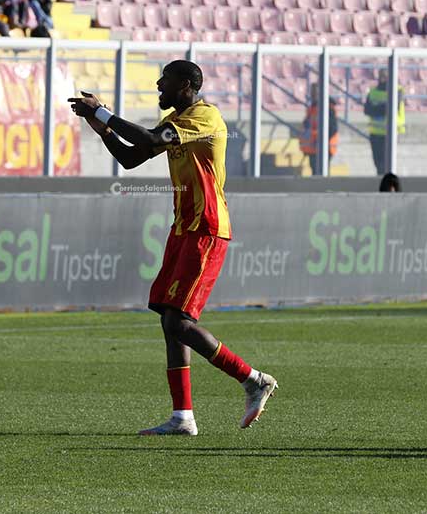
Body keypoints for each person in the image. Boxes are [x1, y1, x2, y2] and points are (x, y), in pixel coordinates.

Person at [67, 60, 278, 436]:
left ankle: (253, 379)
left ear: (186, 85)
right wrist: (102, 129)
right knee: (169, 320)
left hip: (207, 228)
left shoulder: (205, 117)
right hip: (183, 229)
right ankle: (183, 417)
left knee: (180, 321)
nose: (158, 84)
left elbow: (149, 138)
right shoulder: (176, 123)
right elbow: (132, 157)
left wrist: (102, 112)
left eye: (165, 79)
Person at [363, 69, 405, 176]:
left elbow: (391, 108)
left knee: (387, 164)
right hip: (375, 133)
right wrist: (382, 108)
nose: (384, 79)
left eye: (386, 76)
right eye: (382, 76)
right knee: (378, 164)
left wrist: (376, 109)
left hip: (391, 133)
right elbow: (367, 110)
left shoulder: (397, 90)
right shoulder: (373, 92)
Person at [299, 83, 339, 177]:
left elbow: (333, 128)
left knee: (322, 173)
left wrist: (321, 140)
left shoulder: (328, 108)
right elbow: (307, 126)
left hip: (325, 147)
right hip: (313, 148)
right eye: (312, 92)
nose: (313, 95)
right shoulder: (311, 108)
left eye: (315, 92)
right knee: (315, 172)